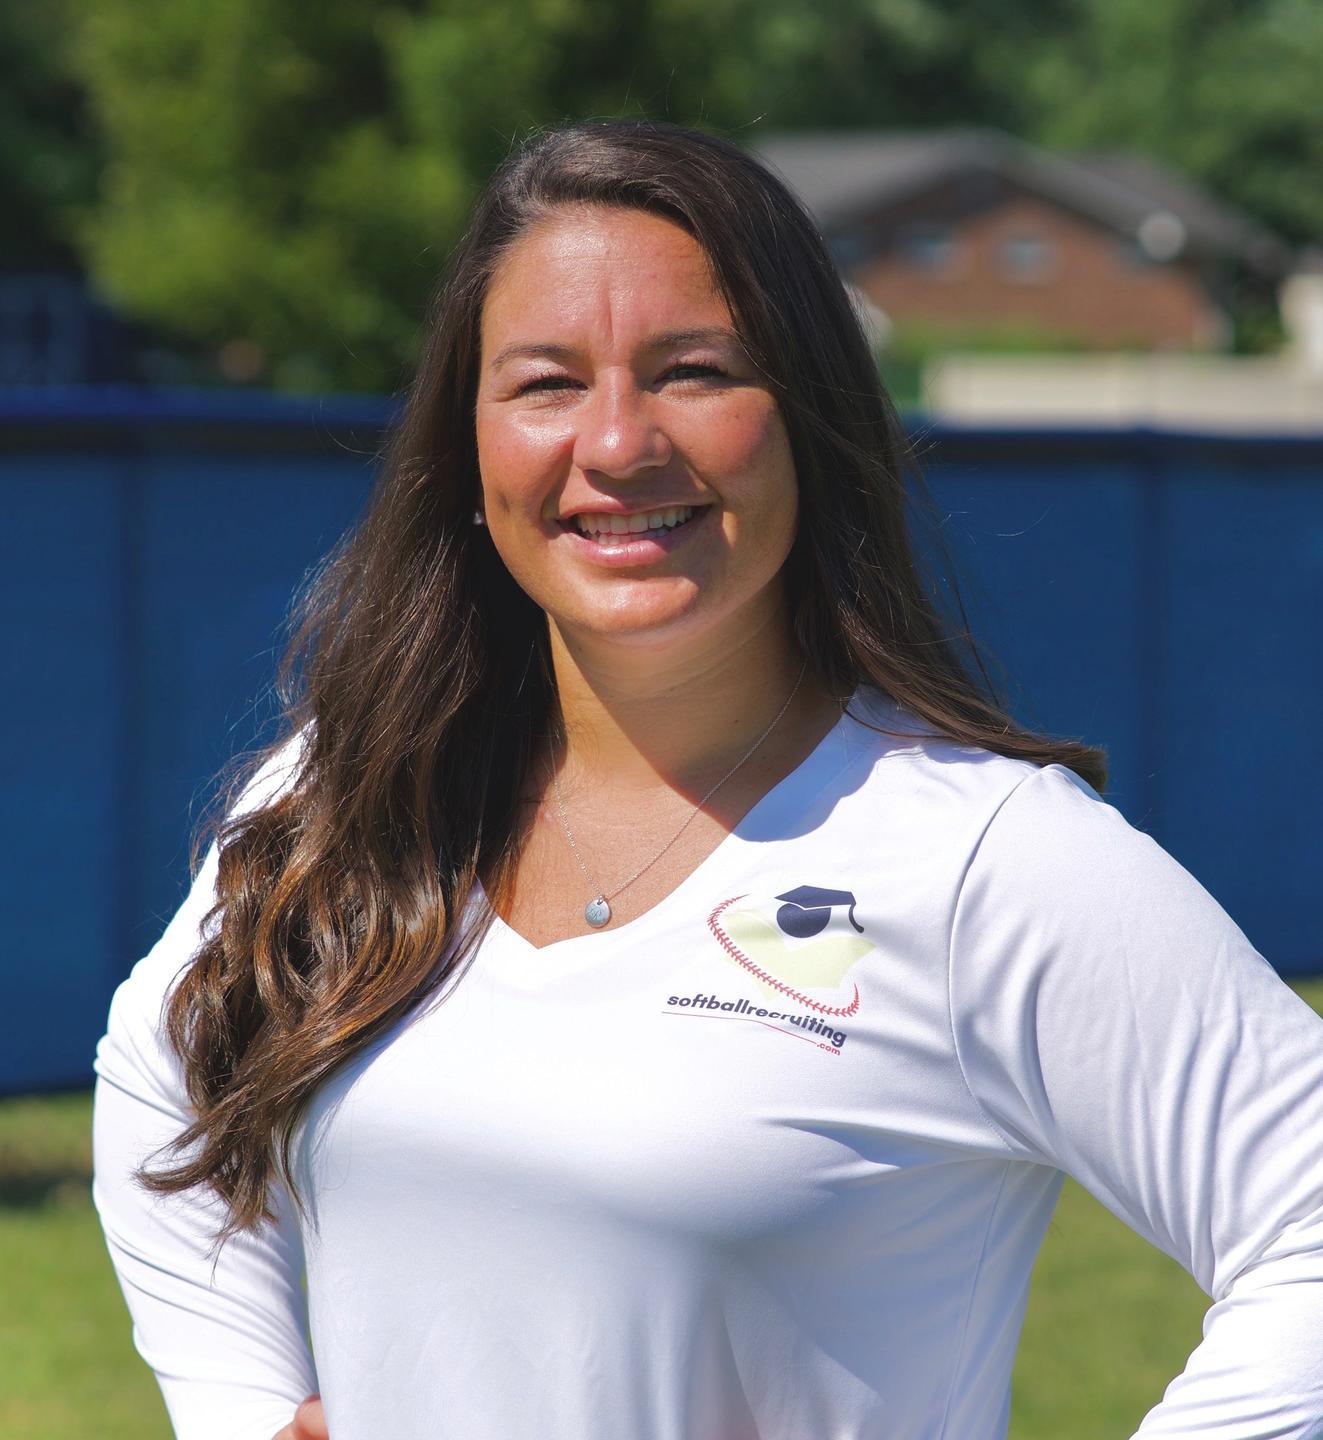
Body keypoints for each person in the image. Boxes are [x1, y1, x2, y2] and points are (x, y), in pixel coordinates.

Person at [91, 118, 1323, 1440]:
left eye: (694, 372)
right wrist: (243, 1409)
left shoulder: (982, 860)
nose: (617, 443)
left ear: (810, 416)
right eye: (547, 383)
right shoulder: (362, 790)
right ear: (467, 442)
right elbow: (159, 1082)